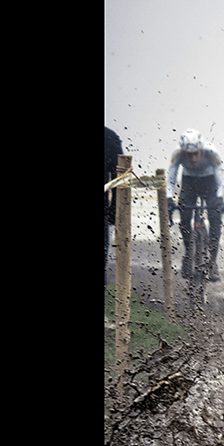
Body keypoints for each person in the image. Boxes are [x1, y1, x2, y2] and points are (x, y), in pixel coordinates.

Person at [167, 129, 224, 281]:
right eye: (189, 155)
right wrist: (168, 197)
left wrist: (220, 198)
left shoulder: (211, 151)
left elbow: (220, 175)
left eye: (196, 154)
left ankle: (212, 261)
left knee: (215, 218)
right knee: (184, 217)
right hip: (189, 181)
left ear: (201, 149)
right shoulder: (177, 153)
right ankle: (188, 255)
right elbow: (172, 175)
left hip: (209, 181)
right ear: (184, 151)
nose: (193, 158)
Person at [105, 126, 124, 314]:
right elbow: (121, 178)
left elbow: (121, 177)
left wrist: (113, 212)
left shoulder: (109, 137)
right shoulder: (110, 137)